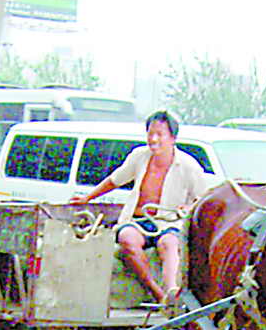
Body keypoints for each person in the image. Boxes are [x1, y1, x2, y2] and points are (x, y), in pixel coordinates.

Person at [70, 110, 209, 303]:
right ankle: (156, 292)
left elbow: (203, 199)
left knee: (169, 243)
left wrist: (188, 208)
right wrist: (88, 197)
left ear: (172, 138)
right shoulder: (139, 156)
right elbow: (114, 180)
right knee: (127, 238)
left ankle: (172, 294)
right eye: (150, 134)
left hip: (168, 223)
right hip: (137, 221)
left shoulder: (188, 165)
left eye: (159, 134)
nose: (153, 139)